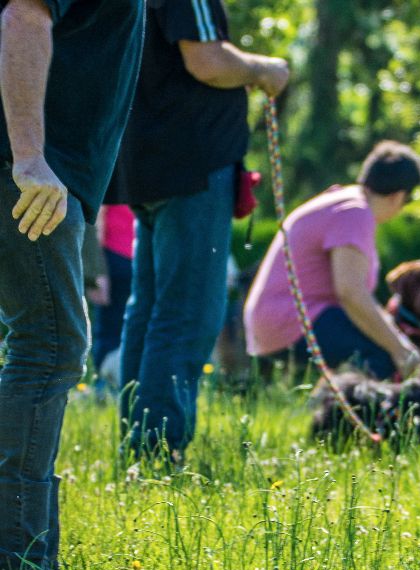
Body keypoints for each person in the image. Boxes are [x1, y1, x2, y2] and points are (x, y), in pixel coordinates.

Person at [106, 0, 289, 462]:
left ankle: (137, 443)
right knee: (186, 311)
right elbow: (206, 61)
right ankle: (156, 450)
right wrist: (264, 69)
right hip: (193, 165)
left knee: (147, 311)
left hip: (143, 162)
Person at [0, 0, 144, 570]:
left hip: (45, 171)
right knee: (50, 344)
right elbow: (24, 15)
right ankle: (19, 556)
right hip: (31, 173)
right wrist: (31, 158)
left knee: (45, 344)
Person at [244, 141, 420, 380]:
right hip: (291, 321)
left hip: (278, 320)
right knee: (385, 358)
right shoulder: (354, 213)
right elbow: (350, 292)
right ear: (398, 195)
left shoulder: (344, 201)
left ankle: (336, 414)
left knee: (379, 344)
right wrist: (400, 348)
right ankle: (364, 418)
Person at [86, 205, 135, 388]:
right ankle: (105, 388)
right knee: (112, 329)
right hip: (116, 258)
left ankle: (109, 387)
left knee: (112, 331)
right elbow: (99, 213)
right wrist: (98, 270)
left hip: (125, 257)